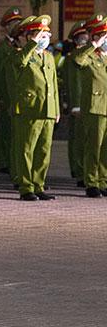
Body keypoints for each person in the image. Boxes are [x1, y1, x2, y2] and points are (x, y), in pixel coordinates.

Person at [5, 15, 59, 201]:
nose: (45, 38)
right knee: (26, 148)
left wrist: (56, 109)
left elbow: (53, 85)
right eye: (40, 35)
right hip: (30, 108)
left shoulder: (48, 57)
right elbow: (19, 63)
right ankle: (26, 186)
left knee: (43, 150)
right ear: (30, 37)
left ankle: (38, 185)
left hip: (47, 109)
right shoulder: (20, 54)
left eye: (46, 35)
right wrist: (32, 44)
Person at [70, 16, 107, 198]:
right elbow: (78, 60)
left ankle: (103, 180)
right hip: (95, 107)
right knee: (94, 146)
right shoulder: (87, 54)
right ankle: (91, 182)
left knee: (106, 148)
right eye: (104, 37)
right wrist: (93, 45)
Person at [0, 8, 24, 178]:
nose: (17, 25)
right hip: (6, 94)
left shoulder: (20, 45)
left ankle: (13, 162)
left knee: (16, 132)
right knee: (5, 129)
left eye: (18, 22)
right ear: (6, 27)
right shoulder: (1, 48)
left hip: (19, 94)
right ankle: (3, 161)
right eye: (13, 23)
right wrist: (1, 97)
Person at [59, 20, 89, 186]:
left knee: (87, 139)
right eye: (84, 37)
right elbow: (74, 82)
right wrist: (75, 104)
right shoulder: (73, 58)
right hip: (79, 104)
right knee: (78, 139)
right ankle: (78, 170)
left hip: (91, 102)